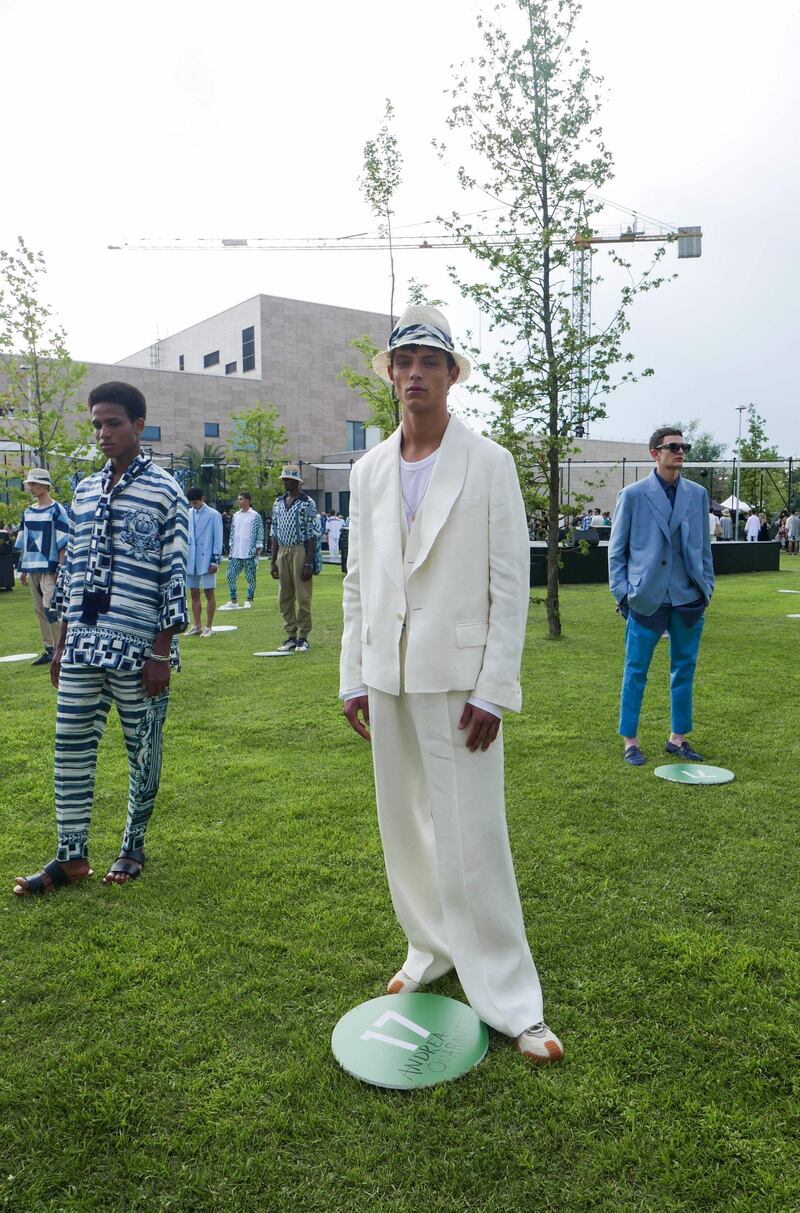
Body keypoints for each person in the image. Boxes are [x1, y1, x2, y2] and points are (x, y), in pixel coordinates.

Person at [339, 303, 563, 1065]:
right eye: (402, 362)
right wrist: (353, 676)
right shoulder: (367, 468)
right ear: (391, 374)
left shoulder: (489, 461)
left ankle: (510, 998)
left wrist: (494, 686)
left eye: (428, 362)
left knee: (474, 838)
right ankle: (427, 950)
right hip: (387, 675)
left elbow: (509, 577)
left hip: (460, 679)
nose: (413, 375)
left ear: (451, 373)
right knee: (402, 825)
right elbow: (358, 582)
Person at [13, 381, 189, 895]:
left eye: (113, 423)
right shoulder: (86, 490)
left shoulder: (165, 490)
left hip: (139, 649)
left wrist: (161, 650)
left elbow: (172, 572)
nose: (103, 433)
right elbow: (72, 573)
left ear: (138, 426)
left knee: (143, 750)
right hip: (83, 644)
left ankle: (132, 845)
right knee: (69, 748)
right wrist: (62, 645)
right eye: (96, 425)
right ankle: (71, 857)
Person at [608, 426, 714, 767]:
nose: (681, 451)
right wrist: (623, 594)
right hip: (645, 597)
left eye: (684, 446)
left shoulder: (697, 494)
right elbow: (616, 551)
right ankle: (630, 741)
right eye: (674, 447)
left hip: (687, 598)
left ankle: (678, 738)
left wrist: (706, 588)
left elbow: (704, 547)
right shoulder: (633, 495)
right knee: (635, 670)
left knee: (685, 669)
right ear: (655, 453)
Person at [14, 468, 70, 665]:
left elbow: (63, 542)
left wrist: (60, 569)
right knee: (39, 610)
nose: (31, 487)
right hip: (32, 569)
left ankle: (61, 649)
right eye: (30, 484)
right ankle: (49, 649)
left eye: (34, 483)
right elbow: (25, 542)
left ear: (46, 486)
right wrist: (22, 569)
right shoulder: (28, 512)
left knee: (51, 609)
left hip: (51, 569)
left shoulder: (57, 510)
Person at [270, 464, 317, 652]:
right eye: (283, 479)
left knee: (303, 596)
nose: (284, 482)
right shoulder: (278, 503)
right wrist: (273, 561)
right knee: (284, 596)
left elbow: (312, 533)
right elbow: (274, 532)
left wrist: (308, 562)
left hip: (300, 550)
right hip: (282, 550)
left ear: (296, 481)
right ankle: (290, 635)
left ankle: (303, 637)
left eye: (287, 479)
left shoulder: (307, 503)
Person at [185, 486, 223, 636]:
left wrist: (215, 560)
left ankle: (209, 626)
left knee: (209, 592)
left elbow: (218, 538)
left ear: (202, 499)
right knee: (194, 592)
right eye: (191, 503)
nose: (194, 505)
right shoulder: (188, 513)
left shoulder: (214, 515)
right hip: (192, 557)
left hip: (207, 557)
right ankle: (197, 625)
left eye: (196, 502)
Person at [220, 492, 264, 609]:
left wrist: (258, 548)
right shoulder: (236, 516)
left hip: (250, 551)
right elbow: (233, 533)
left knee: (250, 577)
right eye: (238, 499)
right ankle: (233, 601)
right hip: (236, 551)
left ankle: (248, 600)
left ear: (247, 500)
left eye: (241, 499)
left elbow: (260, 532)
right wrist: (230, 547)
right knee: (230, 575)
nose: (238, 501)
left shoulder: (255, 516)